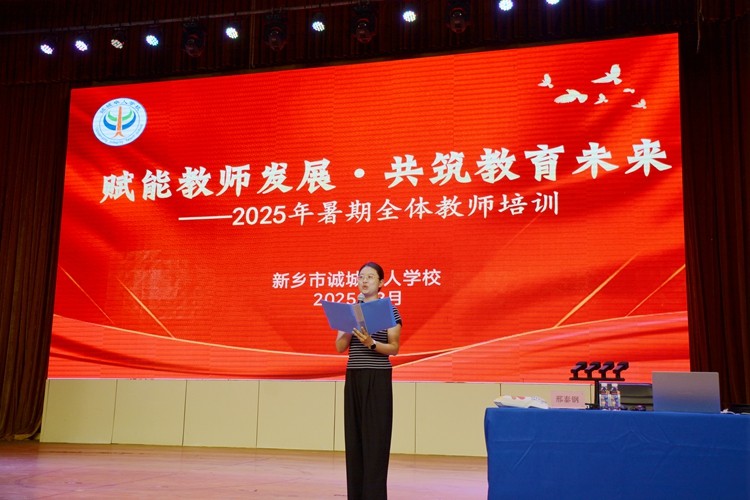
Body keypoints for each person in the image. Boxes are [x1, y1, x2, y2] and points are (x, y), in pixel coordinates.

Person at [335, 262, 402, 500]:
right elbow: (339, 347)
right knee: (354, 440)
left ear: (381, 282)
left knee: (376, 441)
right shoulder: (351, 310)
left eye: (370, 277)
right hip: (354, 376)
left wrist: (371, 344)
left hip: (377, 378)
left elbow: (394, 347)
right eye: (361, 277)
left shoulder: (389, 310)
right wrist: (346, 327)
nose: (364, 281)